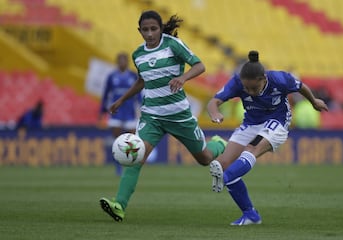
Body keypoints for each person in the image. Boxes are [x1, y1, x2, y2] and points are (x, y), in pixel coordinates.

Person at [99, 10, 227, 222]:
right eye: (145, 30)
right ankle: (119, 205)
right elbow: (142, 81)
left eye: (153, 29)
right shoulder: (138, 54)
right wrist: (122, 99)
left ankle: (219, 144)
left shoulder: (173, 45)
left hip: (179, 115)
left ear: (160, 28)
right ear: (139, 31)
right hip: (151, 117)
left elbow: (200, 65)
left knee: (204, 158)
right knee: (136, 158)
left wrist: (183, 78)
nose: (149, 34)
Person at [207, 50, 328, 226]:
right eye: (246, 88)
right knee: (223, 164)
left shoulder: (280, 79)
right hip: (251, 123)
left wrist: (314, 101)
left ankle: (225, 178)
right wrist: (214, 112)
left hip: (277, 121)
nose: (250, 92)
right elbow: (213, 102)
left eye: (254, 88)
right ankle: (250, 215)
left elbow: (300, 86)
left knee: (251, 150)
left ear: (264, 79)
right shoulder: (237, 81)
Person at [99, 53, 142, 174]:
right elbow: (106, 94)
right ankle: (118, 166)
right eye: (120, 61)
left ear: (127, 62)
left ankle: (130, 166)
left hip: (130, 112)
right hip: (116, 112)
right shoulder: (112, 76)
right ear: (117, 62)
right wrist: (102, 110)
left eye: (124, 61)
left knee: (131, 142)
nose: (122, 63)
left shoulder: (133, 76)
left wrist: (142, 107)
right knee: (117, 141)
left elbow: (138, 94)